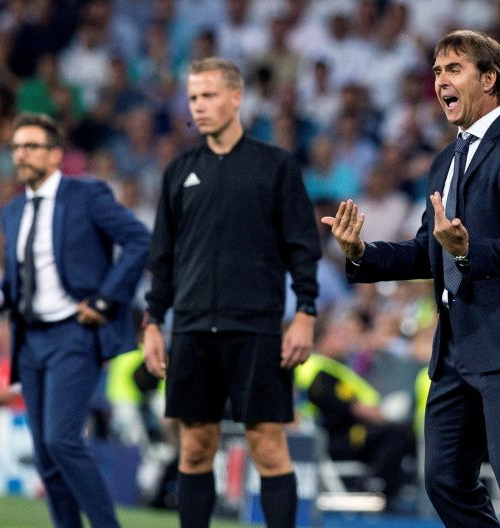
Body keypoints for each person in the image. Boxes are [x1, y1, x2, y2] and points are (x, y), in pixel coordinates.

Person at [323, 29, 500, 527]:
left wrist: (469, 250)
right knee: (444, 481)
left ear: (490, 78)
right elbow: (425, 252)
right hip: (455, 347)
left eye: (453, 69)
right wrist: (361, 254)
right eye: (436, 71)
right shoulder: (445, 161)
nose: (440, 81)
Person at [142, 57, 322, 528]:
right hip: (194, 328)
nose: (198, 106)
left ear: (236, 97)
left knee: (267, 443)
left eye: (209, 96)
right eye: (194, 97)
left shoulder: (276, 166)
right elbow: (162, 257)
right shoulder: (179, 170)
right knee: (196, 445)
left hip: (257, 327)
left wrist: (305, 312)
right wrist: (153, 323)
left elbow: (303, 248)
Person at [0, 112, 150, 528]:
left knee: (62, 440)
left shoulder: (86, 195)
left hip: (75, 333)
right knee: (45, 454)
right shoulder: (14, 210)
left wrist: (107, 300)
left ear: (55, 155)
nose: (21, 153)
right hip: (30, 339)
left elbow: (137, 240)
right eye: (17, 146)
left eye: (31, 146)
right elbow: (16, 278)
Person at [294, 315, 413, 506]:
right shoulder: (320, 369)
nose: (345, 338)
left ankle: (384, 487)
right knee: (394, 433)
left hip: (343, 432)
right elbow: (353, 408)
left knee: (396, 433)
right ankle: (373, 486)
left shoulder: (337, 367)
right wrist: (387, 416)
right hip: (332, 436)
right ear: (322, 339)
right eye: (338, 334)